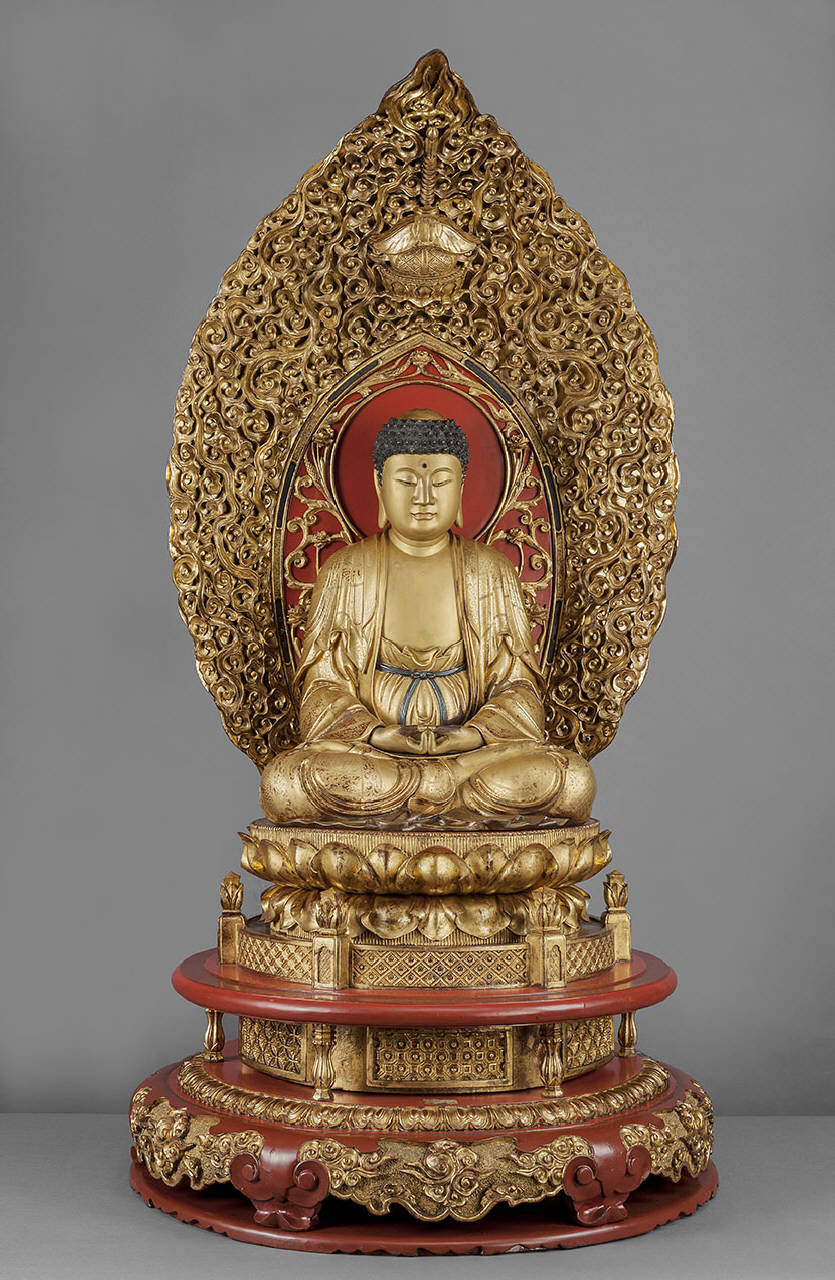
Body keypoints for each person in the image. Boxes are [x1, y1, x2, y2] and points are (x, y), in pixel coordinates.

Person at [260, 410, 595, 828]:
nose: (423, 497)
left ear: (461, 487)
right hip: (377, 759)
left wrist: (475, 735)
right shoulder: (347, 572)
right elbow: (322, 691)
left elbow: (519, 690)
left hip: (472, 758)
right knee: (285, 782)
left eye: (440, 482)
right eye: (406, 481)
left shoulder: (491, 572)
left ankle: (424, 798)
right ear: (379, 485)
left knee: (572, 779)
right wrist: (375, 734)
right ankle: (447, 800)